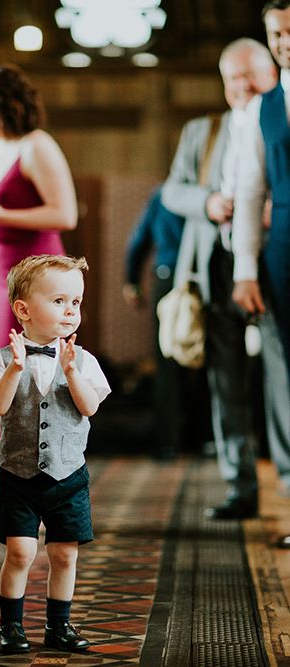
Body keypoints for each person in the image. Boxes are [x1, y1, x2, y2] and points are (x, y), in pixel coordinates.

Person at [0, 65, 78, 529]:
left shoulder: (37, 145)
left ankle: (48, 496)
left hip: (39, 275)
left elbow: (63, 212)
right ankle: (1, 492)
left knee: (41, 383)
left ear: (0, 105)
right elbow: (2, 213)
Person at [161, 38, 277, 520]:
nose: (241, 86)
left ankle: (287, 484)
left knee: (281, 378)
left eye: (251, 76)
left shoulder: (281, 123)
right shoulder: (202, 131)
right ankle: (240, 487)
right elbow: (171, 191)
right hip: (216, 268)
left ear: (272, 76)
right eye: (233, 78)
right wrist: (207, 203)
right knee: (225, 381)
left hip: (275, 265)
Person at [0, 254, 110, 654]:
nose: (71, 310)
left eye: (76, 302)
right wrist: (15, 369)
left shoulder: (83, 360)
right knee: (20, 551)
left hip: (68, 476)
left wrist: (71, 374)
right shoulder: (0, 361)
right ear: (23, 310)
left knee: (64, 554)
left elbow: (88, 407)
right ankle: (11, 626)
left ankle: (59, 626)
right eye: (59, 301)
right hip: (17, 475)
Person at [232, 1, 290, 547]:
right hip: (284, 256)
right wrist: (245, 269)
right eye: (277, 33)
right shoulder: (261, 109)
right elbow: (250, 194)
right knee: (288, 380)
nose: (285, 41)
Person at [122, 186, 197, 459]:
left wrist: (132, 281)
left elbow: (138, 240)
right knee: (206, 360)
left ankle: (168, 443)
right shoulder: (207, 194)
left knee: (166, 363)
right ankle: (206, 441)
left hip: (166, 279)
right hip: (203, 280)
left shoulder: (162, 195)